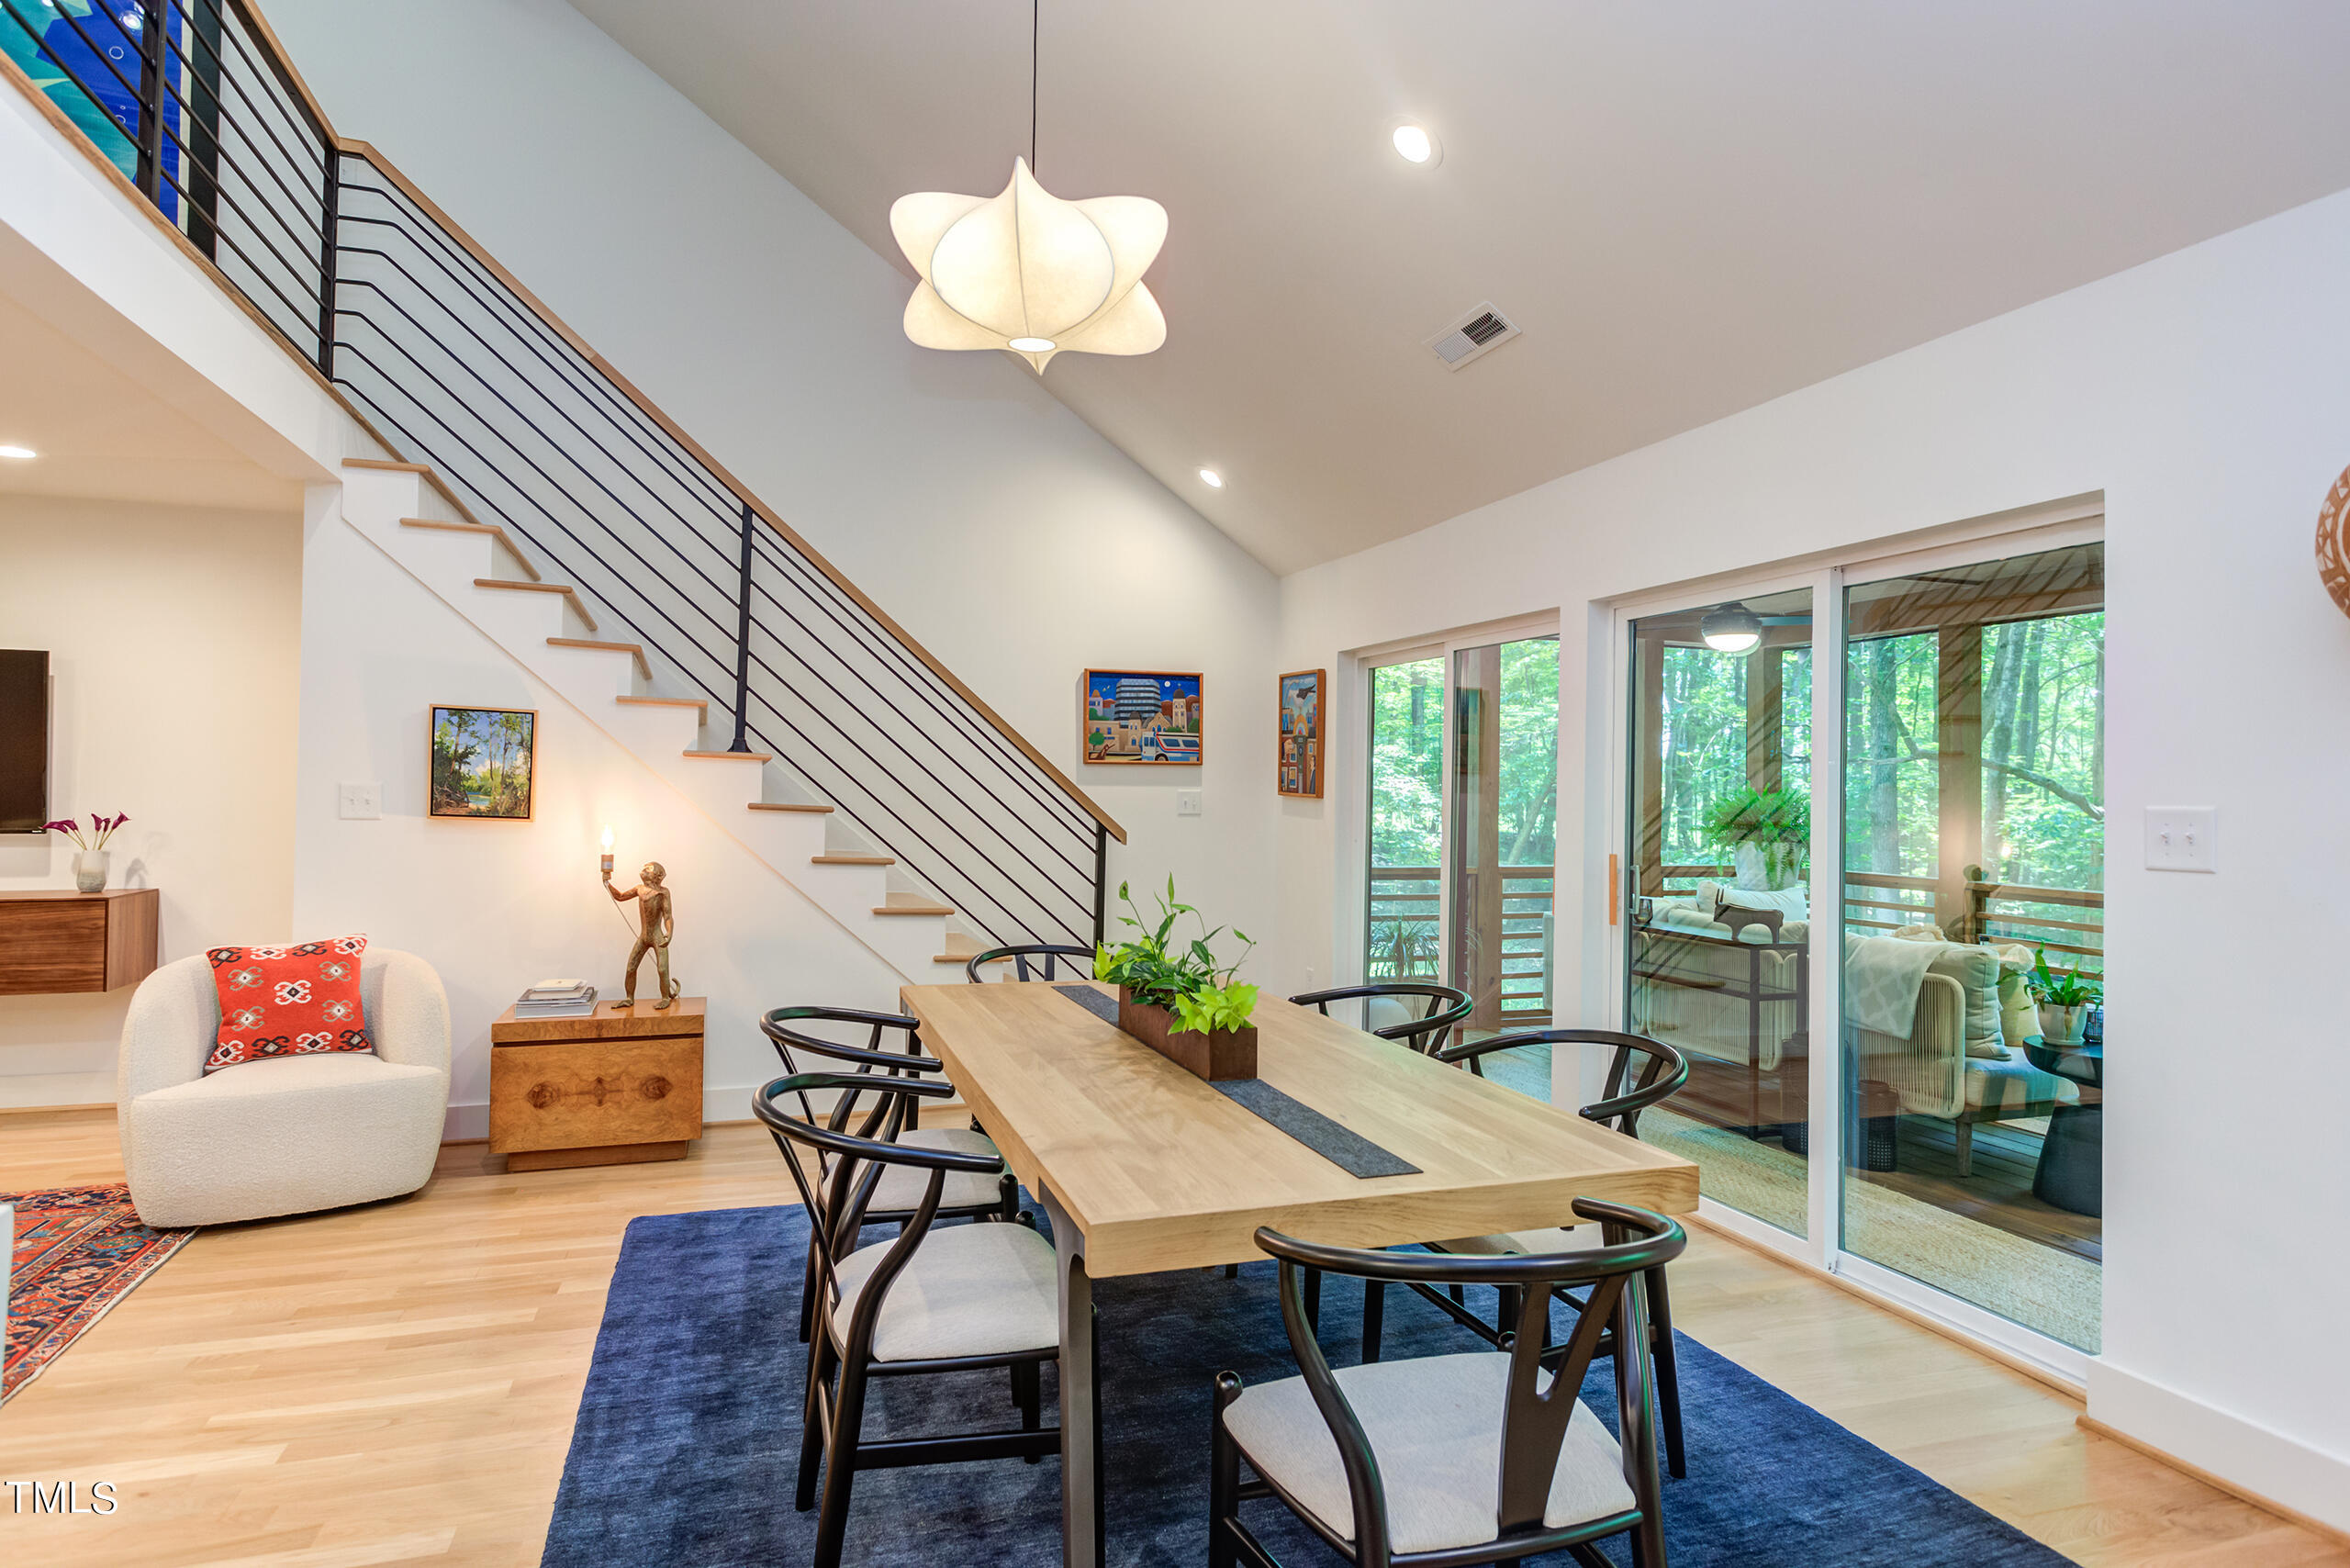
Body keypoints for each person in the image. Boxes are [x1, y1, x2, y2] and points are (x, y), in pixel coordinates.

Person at [604, 860, 678, 1010]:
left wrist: (669, 933)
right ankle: (629, 998)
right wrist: (607, 882)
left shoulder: (663, 892)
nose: (644, 869)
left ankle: (665, 997)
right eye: (644, 867)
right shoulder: (639, 889)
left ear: (658, 875)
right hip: (644, 937)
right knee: (631, 967)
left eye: (649, 868)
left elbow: (668, 916)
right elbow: (620, 896)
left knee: (662, 969)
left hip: (657, 936)